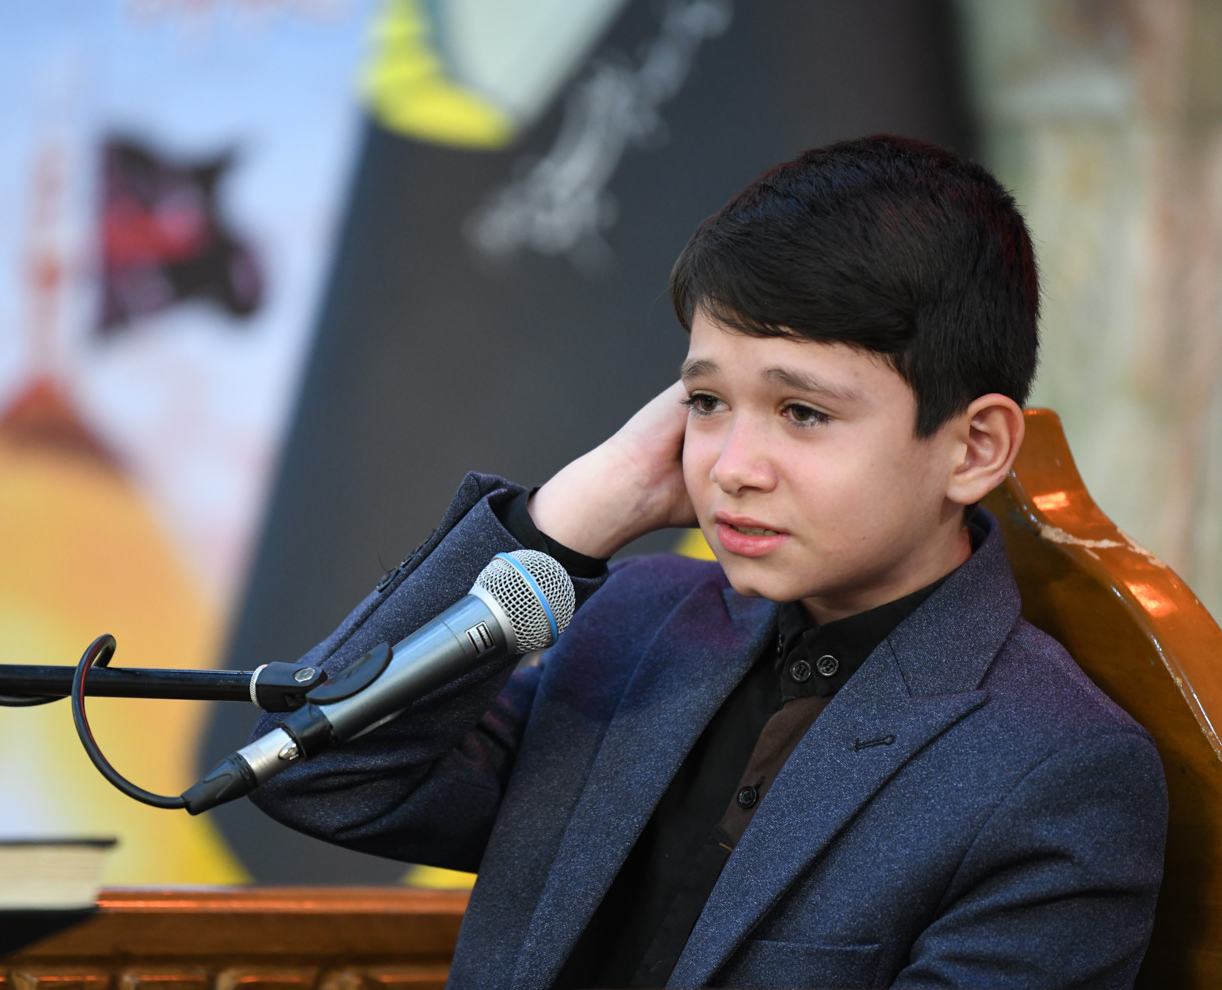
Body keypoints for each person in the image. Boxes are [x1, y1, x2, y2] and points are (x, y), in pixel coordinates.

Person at [247, 136, 1166, 989]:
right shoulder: (643, 619)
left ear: (973, 448)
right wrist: (586, 506)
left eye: (802, 412)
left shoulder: (1058, 772)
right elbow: (318, 773)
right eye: (706, 402)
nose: (731, 468)